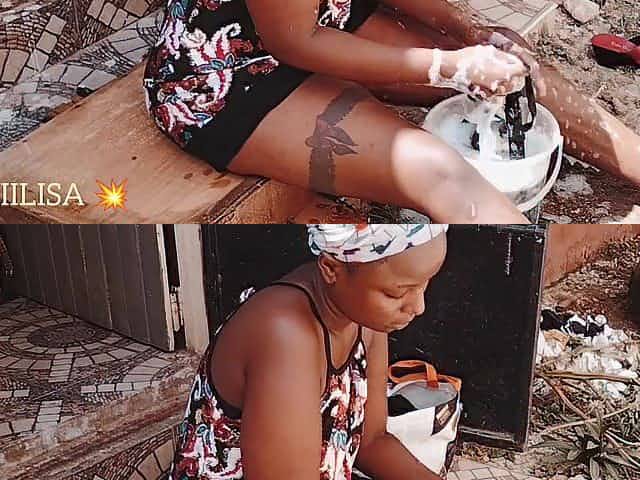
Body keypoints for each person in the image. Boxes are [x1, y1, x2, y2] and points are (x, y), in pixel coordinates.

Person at [143, 0, 640, 225]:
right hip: (226, 74)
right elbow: (294, 40)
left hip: (330, 14)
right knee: (436, 171)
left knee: (519, 74)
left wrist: (471, 32)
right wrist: (446, 67)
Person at [169, 224, 449, 479]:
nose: (418, 307)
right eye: (397, 293)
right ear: (331, 269)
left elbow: (371, 442)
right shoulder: (284, 337)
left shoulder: (365, 316)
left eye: (425, 284)